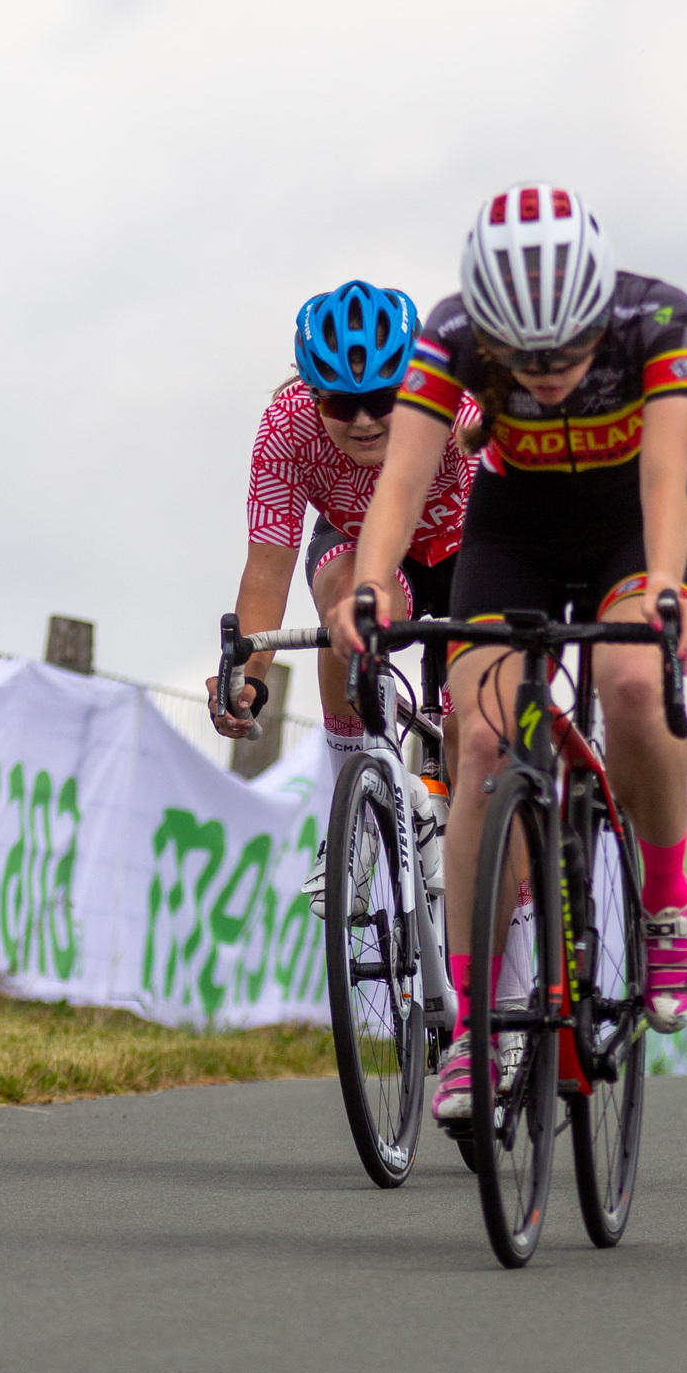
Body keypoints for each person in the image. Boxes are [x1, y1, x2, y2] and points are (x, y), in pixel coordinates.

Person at [327, 185, 687, 1127]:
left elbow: (666, 473)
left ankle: (665, 903)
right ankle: (473, 1026)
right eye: (523, 359)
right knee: (485, 741)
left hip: (632, 524)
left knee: (629, 678)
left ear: (596, 313)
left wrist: (667, 586)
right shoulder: (453, 332)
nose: (545, 376)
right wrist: (373, 580)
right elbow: (406, 478)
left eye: (567, 356)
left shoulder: (656, 318)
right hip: (517, 533)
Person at [208, 280, 476, 905]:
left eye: (382, 398)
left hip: (470, 546)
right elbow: (268, 569)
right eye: (339, 403)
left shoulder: (454, 403)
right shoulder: (287, 426)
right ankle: (349, 822)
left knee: (475, 733)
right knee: (347, 614)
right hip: (362, 543)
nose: (361, 420)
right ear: (310, 392)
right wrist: (245, 674)